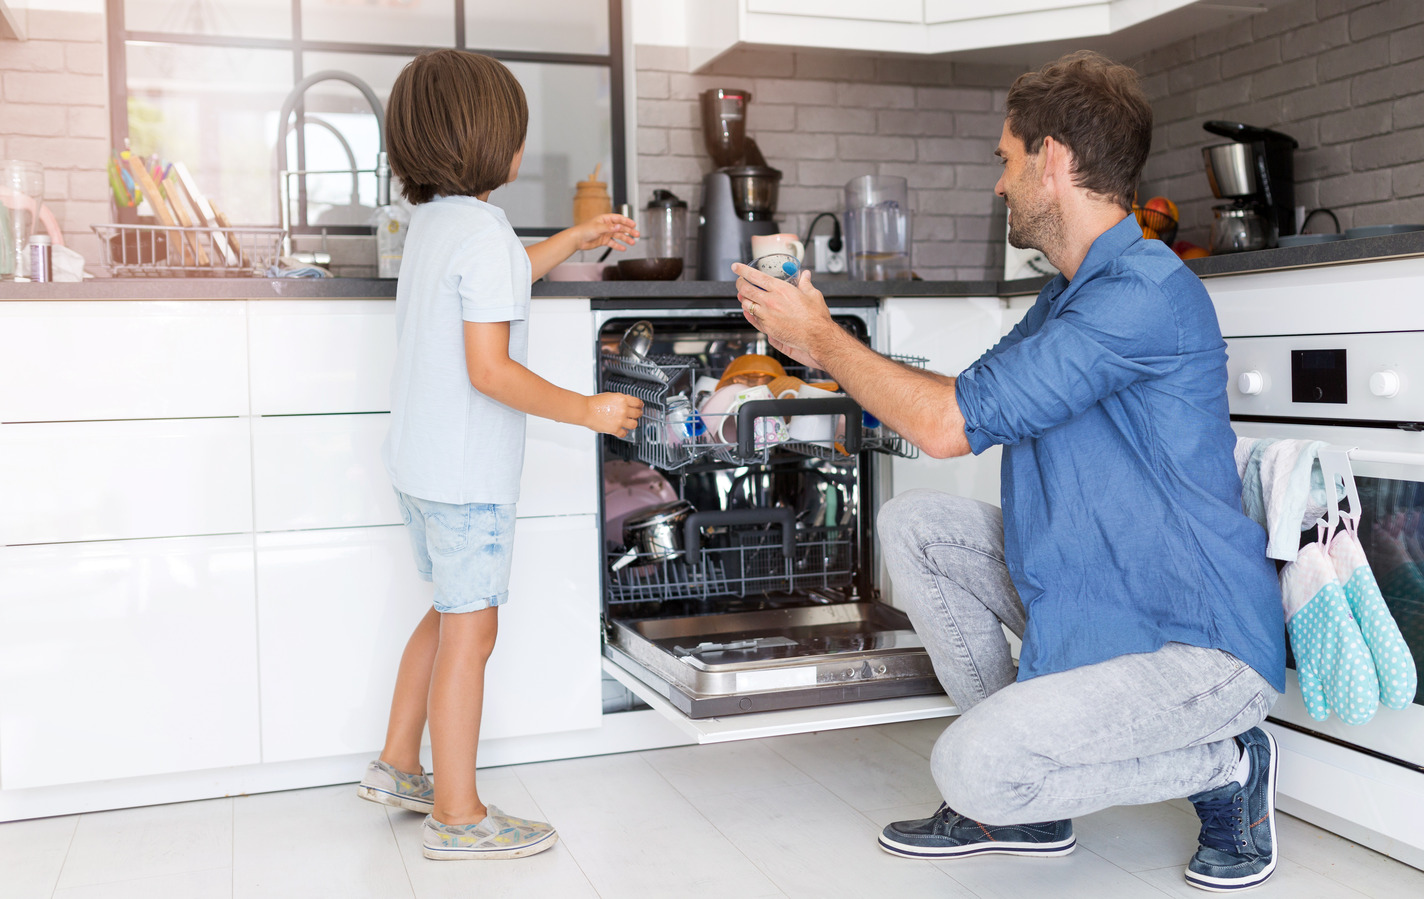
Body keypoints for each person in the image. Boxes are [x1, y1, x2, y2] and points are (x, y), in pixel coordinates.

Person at [732, 50, 1286, 892]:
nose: (1000, 184)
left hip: (1193, 643)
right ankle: (1026, 796)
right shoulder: (1064, 296)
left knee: (971, 767)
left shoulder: (1139, 296)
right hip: (1101, 603)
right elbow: (960, 398)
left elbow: (951, 425)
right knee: (915, 525)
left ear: (1053, 159)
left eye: (1006, 158)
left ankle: (1223, 765)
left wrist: (822, 340)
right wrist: (816, 348)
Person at [354, 48, 643, 862]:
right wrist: (586, 409)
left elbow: (504, 275)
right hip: (466, 476)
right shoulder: (479, 232)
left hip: (419, 466)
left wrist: (577, 238)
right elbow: (491, 370)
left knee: (449, 614)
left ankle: (399, 764)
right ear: (492, 144)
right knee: (471, 634)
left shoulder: (438, 226)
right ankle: (457, 812)